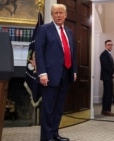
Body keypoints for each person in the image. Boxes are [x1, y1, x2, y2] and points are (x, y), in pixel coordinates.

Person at [35, 4, 77, 141]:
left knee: (59, 108)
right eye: (55, 13)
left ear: (66, 15)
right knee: (48, 109)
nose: (58, 15)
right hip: (49, 75)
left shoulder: (69, 31)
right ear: (52, 15)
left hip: (66, 74)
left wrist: (74, 70)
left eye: (61, 13)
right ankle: (46, 138)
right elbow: (39, 53)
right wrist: (42, 73)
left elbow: (72, 52)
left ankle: (54, 134)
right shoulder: (44, 29)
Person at [100, 40, 114, 116]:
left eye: (111, 44)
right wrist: (113, 74)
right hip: (107, 77)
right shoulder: (103, 54)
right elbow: (106, 67)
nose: (110, 46)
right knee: (107, 94)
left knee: (109, 93)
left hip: (108, 77)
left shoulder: (108, 54)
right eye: (108, 45)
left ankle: (106, 110)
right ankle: (106, 110)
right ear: (105, 46)